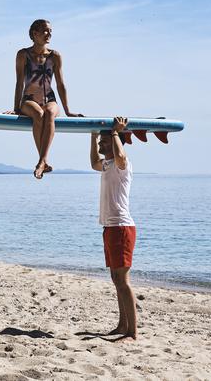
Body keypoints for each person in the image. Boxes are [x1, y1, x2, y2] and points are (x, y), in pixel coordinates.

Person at [12, 19, 82, 179]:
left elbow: (61, 85)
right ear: (34, 34)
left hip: (50, 98)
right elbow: (19, 82)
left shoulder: (55, 56)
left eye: (50, 31)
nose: (49, 33)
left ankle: (42, 161)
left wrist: (68, 111)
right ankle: (43, 160)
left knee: (50, 112)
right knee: (38, 114)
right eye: (45, 30)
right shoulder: (23, 54)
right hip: (29, 100)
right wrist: (16, 108)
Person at [89, 116, 138, 342]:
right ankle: (122, 324)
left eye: (103, 142)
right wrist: (91, 136)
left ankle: (132, 332)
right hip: (110, 227)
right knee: (115, 279)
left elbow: (121, 155)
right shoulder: (107, 164)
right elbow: (93, 163)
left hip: (122, 227)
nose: (100, 146)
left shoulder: (122, 165)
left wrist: (116, 132)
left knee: (123, 280)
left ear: (113, 141)